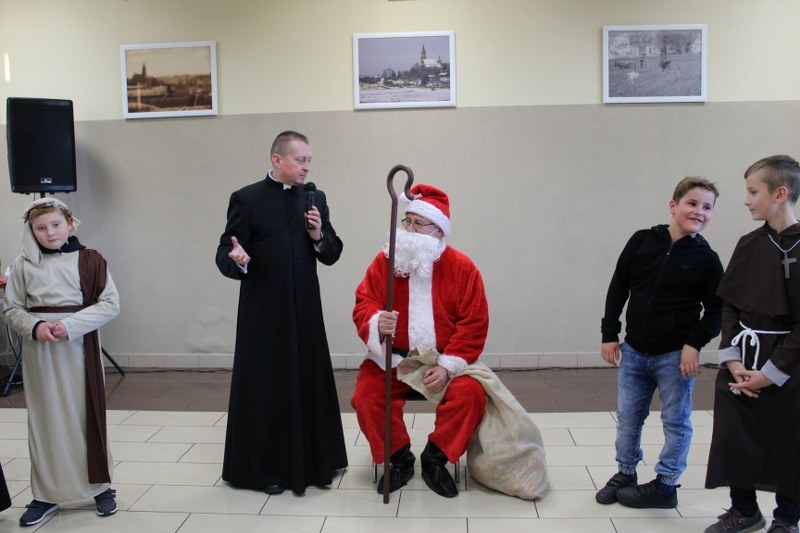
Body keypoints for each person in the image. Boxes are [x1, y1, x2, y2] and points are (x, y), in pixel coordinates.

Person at [215, 130, 347, 496]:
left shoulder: (315, 198)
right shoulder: (246, 198)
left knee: (307, 380)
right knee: (267, 386)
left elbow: (332, 253)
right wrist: (237, 259)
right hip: (264, 315)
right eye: (300, 160)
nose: (306, 167)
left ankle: (316, 462)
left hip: (306, 311)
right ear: (277, 159)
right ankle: (266, 469)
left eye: (309, 160)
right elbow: (226, 251)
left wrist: (318, 235)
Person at [351, 184, 490, 498]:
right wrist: (376, 321)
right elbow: (364, 302)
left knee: (471, 395)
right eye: (407, 221)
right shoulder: (386, 261)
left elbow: (474, 322)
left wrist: (447, 366)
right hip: (392, 358)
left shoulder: (462, 267)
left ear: (438, 229)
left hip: (443, 360)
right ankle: (399, 457)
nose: (410, 229)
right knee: (367, 396)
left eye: (418, 223)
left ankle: (436, 458)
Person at [596, 177, 723, 509]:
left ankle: (666, 485)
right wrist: (610, 333)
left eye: (707, 207)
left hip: (675, 358)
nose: (699, 212)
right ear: (673, 205)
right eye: (692, 203)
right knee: (628, 417)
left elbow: (716, 310)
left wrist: (694, 344)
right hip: (634, 352)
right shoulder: (642, 241)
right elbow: (618, 286)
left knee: (676, 420)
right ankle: (625, 472)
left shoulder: (707, 259)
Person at [1, 197, 120, 526]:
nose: (50, 232)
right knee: (45, 420)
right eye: (41, 228)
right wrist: (36, 326)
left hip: (79, 348)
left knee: (84, 415)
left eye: (55, 224)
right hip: (40, 352)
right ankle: (45, 494)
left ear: (69, 223)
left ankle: (99, 488)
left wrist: (70, 326)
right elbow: (11, 308)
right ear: (31, 230)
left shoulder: (90, 259)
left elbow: (110, 303)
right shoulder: (23, 264)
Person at [704, 155, 800, 533]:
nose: (746, 200)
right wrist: (733, 361)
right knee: (735, 439)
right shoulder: (748, 244)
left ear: (780, 194)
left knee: (789, 441)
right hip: (743, 361)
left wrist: (771, 374)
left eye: (752, 191)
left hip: (789, 365)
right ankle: (744, 511)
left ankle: (787, 519)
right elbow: (730, 306)